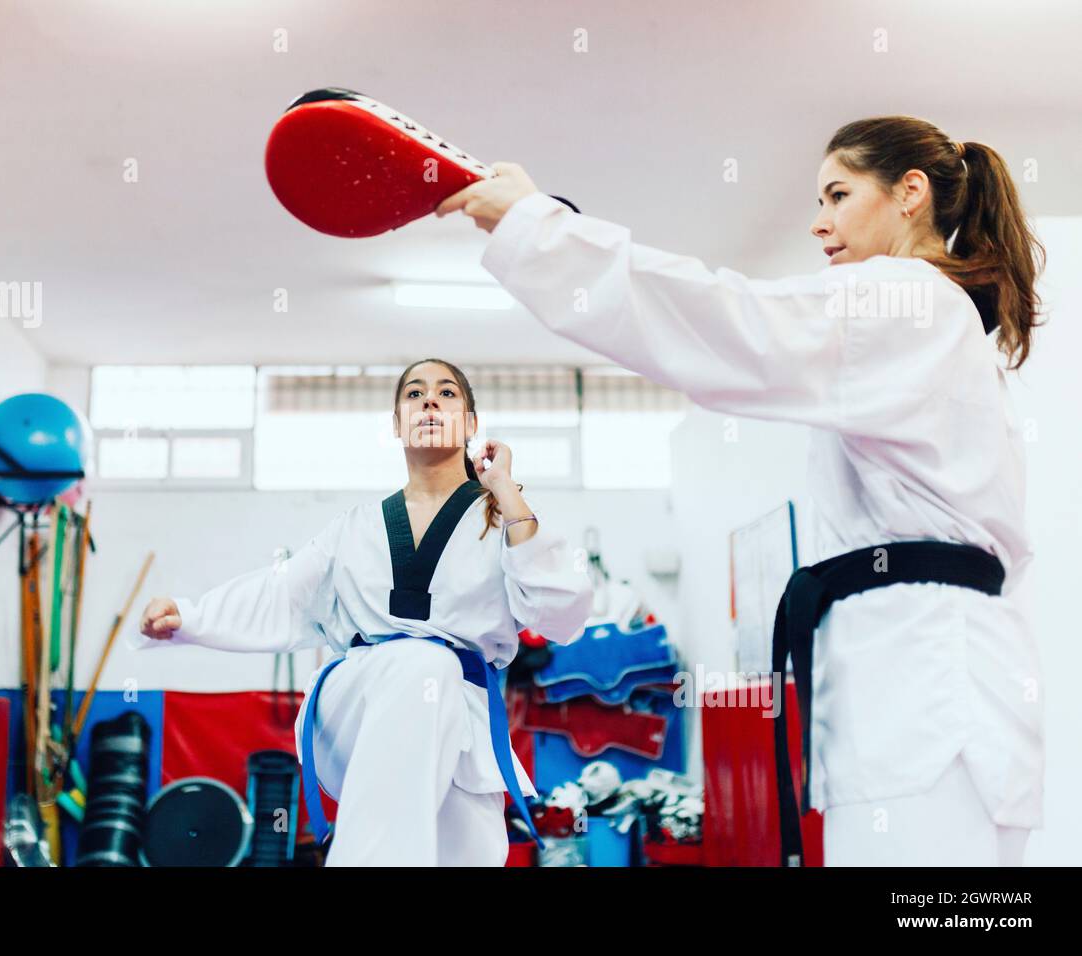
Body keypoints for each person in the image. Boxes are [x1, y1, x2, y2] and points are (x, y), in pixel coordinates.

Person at [437, 115, 1046, 867]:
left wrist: (541, 229)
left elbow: (726, 321)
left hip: (927, 688)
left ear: (910, 193)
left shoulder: (905, 300)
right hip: (948, 678)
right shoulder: (941, 323)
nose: (819, 224)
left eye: (838, 194)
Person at [137, 358, 593, 866]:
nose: (429, 402)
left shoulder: (500, 519)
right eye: (415, 394)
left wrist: (504, 486)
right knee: (424, 663)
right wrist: (191, 615)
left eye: (446, 394)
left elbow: (562, 613)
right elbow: (281, 593)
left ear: (471, 425)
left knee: (466, 851)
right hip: (360, 701)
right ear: (397, 425)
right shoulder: (356, 528)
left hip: (460, 718)